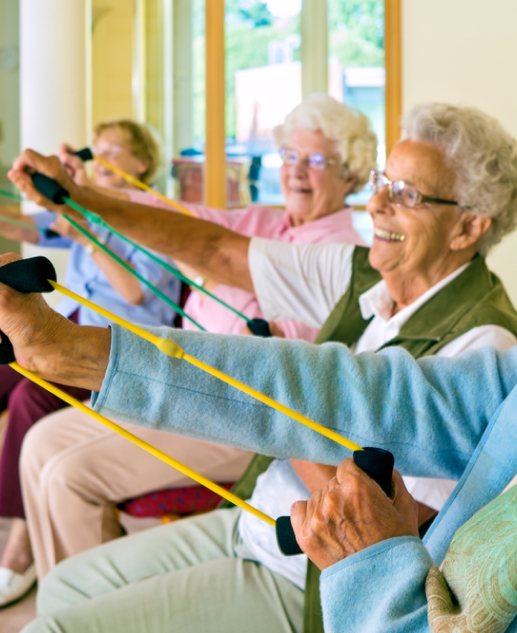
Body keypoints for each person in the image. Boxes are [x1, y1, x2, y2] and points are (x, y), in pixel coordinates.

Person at [7, 102, 517, 633]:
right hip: (259, 515)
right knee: (65, 586)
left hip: (308, 577)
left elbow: (399, 523)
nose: (378, 205)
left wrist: (278, 405)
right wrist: (80, 200)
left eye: (407, 195)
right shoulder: (364, 271)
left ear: (468, 228)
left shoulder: (486, 338)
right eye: (382, 183)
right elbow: (215, 246)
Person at [16, 93, 377, 583]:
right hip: (177, 385)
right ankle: (72, 598)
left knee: (66, 475)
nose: (296, 171)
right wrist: (79, 193)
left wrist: (220, 274)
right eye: (290, 156)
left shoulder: (342, 252)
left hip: (244, 414)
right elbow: (181, 223)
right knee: (38, 444)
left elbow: (291, 351)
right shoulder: (265, 223)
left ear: (350, 174)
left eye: (315, 161)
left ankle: (93, 608)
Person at [0, 119, 182, 607]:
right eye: (95, 147)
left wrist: (84, 232)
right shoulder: (86, 209)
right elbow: (18, 225)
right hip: (69, 331)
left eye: (112, 149)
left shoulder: (157, 217)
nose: (98, 155)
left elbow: (135, 291)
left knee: (29, 395)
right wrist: (45, 191)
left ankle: (19, 546)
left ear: (142, 161)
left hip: (120, 349)